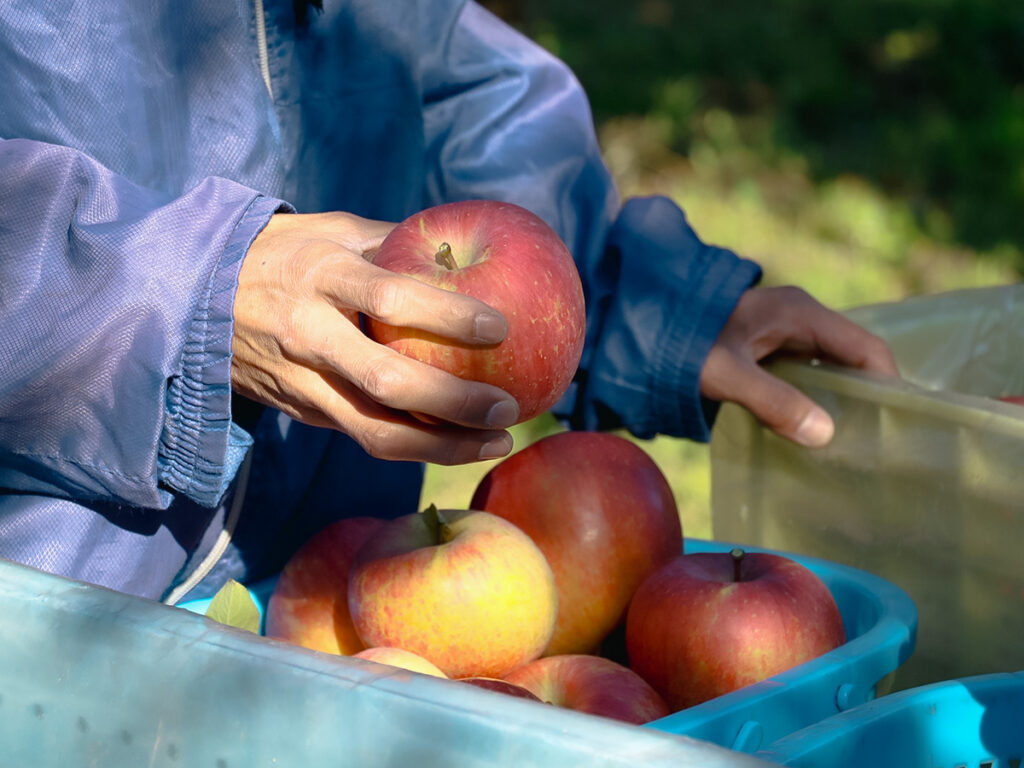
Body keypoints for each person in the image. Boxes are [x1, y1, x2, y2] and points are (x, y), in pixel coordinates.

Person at [0, 1, 897, 602]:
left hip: (337, 597)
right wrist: (178, 291)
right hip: (51, 629)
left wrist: (609, 285)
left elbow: (415, 56)